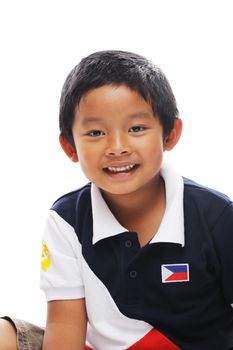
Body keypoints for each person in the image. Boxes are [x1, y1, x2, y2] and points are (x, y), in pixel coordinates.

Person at [1, 50, 233, 350]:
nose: (117, 147)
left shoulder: (216, 216)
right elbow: (65, 325)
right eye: (96, 132)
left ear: (170, 134)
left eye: (136, 129)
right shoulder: (67, 220)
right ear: (70, 147)